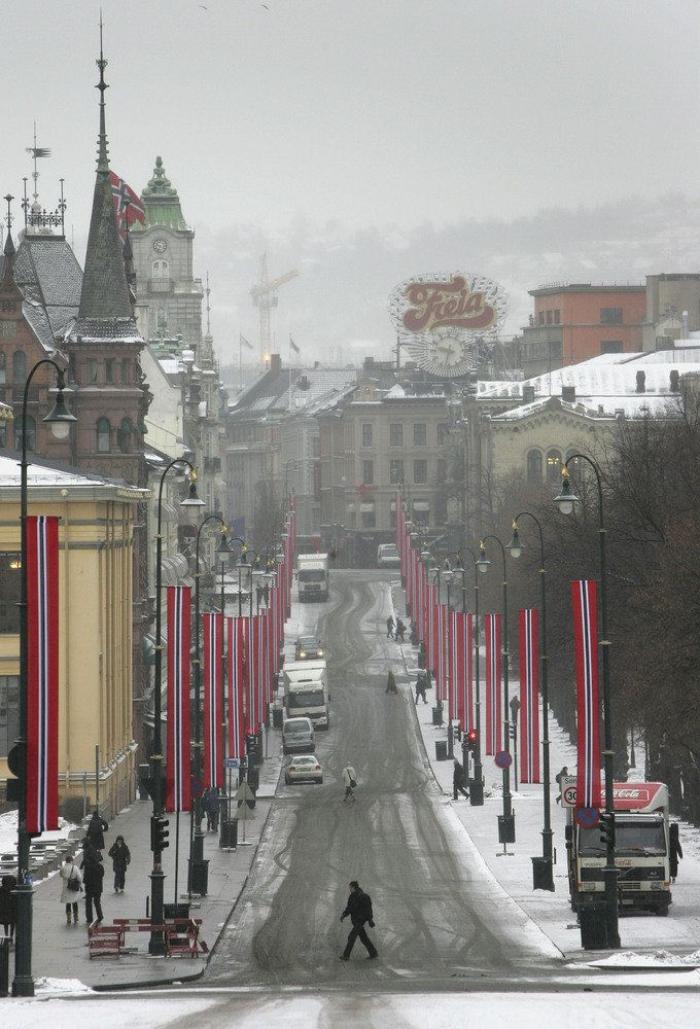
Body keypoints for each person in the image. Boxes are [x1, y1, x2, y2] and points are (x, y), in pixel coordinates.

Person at [339, 880, 378, 960]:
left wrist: (370, 919)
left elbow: (365, 909)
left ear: (353, 887)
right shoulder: (358, 896)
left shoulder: (359, 896)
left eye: (350, 887)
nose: (349, 889)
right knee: (364, 938)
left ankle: (346, 956)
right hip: (358, 920)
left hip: (359, 920)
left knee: (351, 936)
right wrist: (344, 914)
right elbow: (351, 908)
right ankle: (373, 953)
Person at [81, 844, 104, 924]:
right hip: (98, 887)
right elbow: (102, 875)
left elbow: (86, 878)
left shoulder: (88, 867)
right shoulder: (100, 867)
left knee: (88, 903)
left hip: (90, 887)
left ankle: (89, 918)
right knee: (97, 902)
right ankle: (100, 916)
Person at [59, 856, 82, 927]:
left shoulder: (63, 868)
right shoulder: (75, 868)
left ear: (66, 861)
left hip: (66, 888)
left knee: (68, 903)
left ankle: (68, 918)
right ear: (71, 861)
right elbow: (79, 878)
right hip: (74, 887)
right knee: (74, 902)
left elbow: (61, 875)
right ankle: (76, 918)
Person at [0, 874, 17, 941]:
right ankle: (11, 936)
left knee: (5, 923)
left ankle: (6, 935)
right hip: (13, 909)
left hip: (4, 910)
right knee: (12, 922)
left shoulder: (1, 889)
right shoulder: (15, 890)